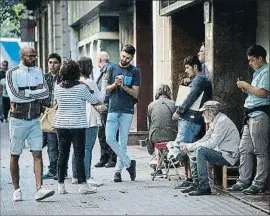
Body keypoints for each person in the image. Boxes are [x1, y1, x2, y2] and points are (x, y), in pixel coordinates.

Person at [6, 47, 55, 201]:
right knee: (15, 155)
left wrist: (25, 92)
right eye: (30, 56)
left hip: (35, 119)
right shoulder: (12, 73)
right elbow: (14, 96)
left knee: (38, 153)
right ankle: (16, 189)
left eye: (35, 56)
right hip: (17, 119)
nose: (33, 59)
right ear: (22, 56)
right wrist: (34, 92)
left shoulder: (38, 72)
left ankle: (39, 188)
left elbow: (46, 93)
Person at [52, 59, 101, 194]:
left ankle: (61, 186)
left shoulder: (57, 88)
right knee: (79, 155)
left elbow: (55, 102)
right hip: (77, 124)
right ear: (76, 73)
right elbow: (94, 100)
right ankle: (83, 185)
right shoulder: (81, 87)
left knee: (63, 154)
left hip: (61, 124)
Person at [173, 101, 240, 196]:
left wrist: (190, 146)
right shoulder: (215, 121)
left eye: (204, 112)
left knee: (200, 151)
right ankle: (196, 183)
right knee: (195, 149)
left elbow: (212, 143)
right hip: (220, 152)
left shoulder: (222, 121)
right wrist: (189, 146)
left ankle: (204, 186)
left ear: (210, 112)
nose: (202, 114)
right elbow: (205, 138)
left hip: (228, 155)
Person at [229, 45, 269, 195]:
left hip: (259, 114)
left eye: (252, 60)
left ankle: (259, 183)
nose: (250, 63)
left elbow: (263, 93)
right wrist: (247, 89)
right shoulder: (258, 72)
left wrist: (247, 85)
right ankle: (243, 180)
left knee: (260, 151)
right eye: (249, 61)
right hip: (250, 114)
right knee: (244, 148)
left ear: (260, 58)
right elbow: (255, 92)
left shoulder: (266, 71)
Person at [172, 55, 212, 187]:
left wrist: (179, 111)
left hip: (191, 119)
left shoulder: (200, 79)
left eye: (188, 68)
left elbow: (191, 96)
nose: (186, 71)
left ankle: (194, 180)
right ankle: (191, 179)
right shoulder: (199, 80)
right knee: (188, 149)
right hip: (193, 119)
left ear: (195, 67)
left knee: (182, 148)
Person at [106, 44, 140, 182]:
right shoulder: (111, 68)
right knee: (109, 138)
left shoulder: (135, 71)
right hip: (113, 108)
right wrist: (115, 84)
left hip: (127, 110)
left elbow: (135, 93)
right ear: (121, 53)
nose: (125, 59)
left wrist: (124, 87)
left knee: (123, 142)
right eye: (124, 56)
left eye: (128, 58)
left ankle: (118, 172)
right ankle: (129, 163)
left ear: (132, 58)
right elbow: (106, 89)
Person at [71, 57, 107, 188]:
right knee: (87, 147)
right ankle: (86, 176)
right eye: (90, 66)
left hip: (77, 117)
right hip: (90, 117)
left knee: (77, 148)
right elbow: (100, 98)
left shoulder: (74, 82)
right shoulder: (89, 82)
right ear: (87, 68)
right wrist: (104, 81)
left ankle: (75, 175)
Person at [42, 53, 68, 180]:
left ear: (60, 64)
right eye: (50, 62)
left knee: (61, 144)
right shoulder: (44, 78)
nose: (52, 65)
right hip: (47, 114)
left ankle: (62, 171)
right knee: (51, 144)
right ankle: (52, 170)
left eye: (55, 62)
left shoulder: (64, 78)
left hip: (61, 114)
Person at [147, 84, 177, 176]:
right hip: (172, 136)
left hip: (156, 137)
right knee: (167, 135)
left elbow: (149, 125)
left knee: (157, 139)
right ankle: (169, 159)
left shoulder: (151, 105)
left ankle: (158, 167)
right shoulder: (174, 103)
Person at [94, 51, 117, 168]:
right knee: (102, 133)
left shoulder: (108, 69)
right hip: (102, 106)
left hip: (107, 105)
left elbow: (107, 89)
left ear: (99, 61)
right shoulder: (104, 71)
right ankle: (104, 157)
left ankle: (112, 158)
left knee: (108, 133)